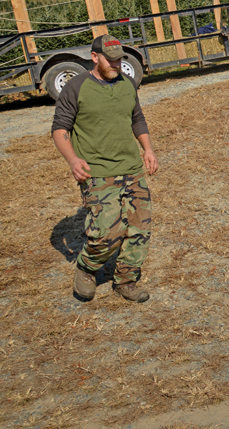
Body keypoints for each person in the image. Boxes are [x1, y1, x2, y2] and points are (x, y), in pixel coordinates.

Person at [52, 35, 159, 303]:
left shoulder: (127, 84)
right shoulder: (76, 87)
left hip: (132, 169)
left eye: (119, 59)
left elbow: (137, 118)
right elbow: (60, 129)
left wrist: (148, 149)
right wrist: (73, 160)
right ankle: (87, 268)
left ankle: (126, 281)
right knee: (107, 231)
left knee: (139, 229)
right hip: (97, 172)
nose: (116, 64)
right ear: (94, 57)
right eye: (110, 59)